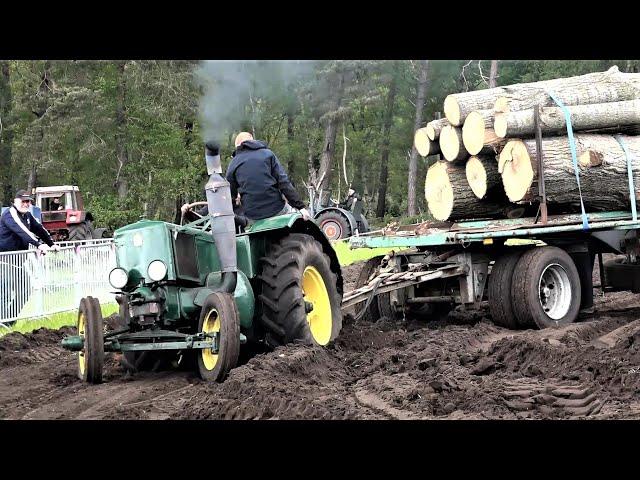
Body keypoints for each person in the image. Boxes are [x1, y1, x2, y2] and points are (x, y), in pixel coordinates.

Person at [225, 132, 310, 223]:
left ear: (237, 146)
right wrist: (300, 207)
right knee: (294, 216)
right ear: (252, 141)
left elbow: (229, 195)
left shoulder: (233, 164)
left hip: (252, 215)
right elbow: (283, 182)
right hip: (276, 209)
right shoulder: (268, 154)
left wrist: (237, 213)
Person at [0, 190, 59, 322]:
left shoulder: (27, 215)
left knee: (25, 290)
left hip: (18, 262)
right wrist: (38, 244)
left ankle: (9, 321)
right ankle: (2, 322)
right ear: (15, 201)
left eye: (28, 202)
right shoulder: (10, 214)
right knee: (4, 293)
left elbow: (38, 228)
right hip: (4, 261)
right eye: (23, 201)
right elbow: (21, 230)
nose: (26, 204)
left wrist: (51, 244)